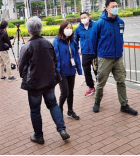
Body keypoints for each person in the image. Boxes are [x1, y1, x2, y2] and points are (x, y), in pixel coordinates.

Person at [19, 16, 70, 145]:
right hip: (49, 80)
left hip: (34, 83)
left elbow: (21, 66)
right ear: (40, 28)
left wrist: (24, 76)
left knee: (35, 109)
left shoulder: (27, 46)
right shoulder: (48, 43)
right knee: (53, 104)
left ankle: (39, 136)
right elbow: (54, 60)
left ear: (29, 30)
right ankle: (62, 129)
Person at [90, 0, 138, 115]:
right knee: (101, 82)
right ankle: (97, 102)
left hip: (118, 57)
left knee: (121, 81)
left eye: (116, 6)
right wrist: (96, 56)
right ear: (106, 8)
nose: (115, 8)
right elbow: (93, 41)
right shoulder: (99, 23)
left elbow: (120, 38)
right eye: (112, 6)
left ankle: (124, 105)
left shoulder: (120, 22)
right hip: (104, 58)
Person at [53, 21, 82, 120]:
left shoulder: (73, 41)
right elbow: (55, 57)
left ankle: (70, 110)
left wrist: (78, 68)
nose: (69, 30)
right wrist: (57, 71)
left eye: (70, 28)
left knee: (71, 92)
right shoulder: (57, 41)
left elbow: (76, 56)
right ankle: (59, 109)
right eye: (67, 28)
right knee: (64, 92)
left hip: (71, 70)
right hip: (61, 71)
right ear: (62, 29)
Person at [74, 12, 98, 96]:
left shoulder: (95, 26)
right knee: (86, 71)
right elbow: (75, 40)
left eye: (85, 17)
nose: (83, 19)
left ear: (89, 17)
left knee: (97, 71)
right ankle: (91, 87)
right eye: (81, 18)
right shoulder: (79, 28)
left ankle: (99, 87)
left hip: (95, 53)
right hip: (85, 54)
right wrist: (77, 49)